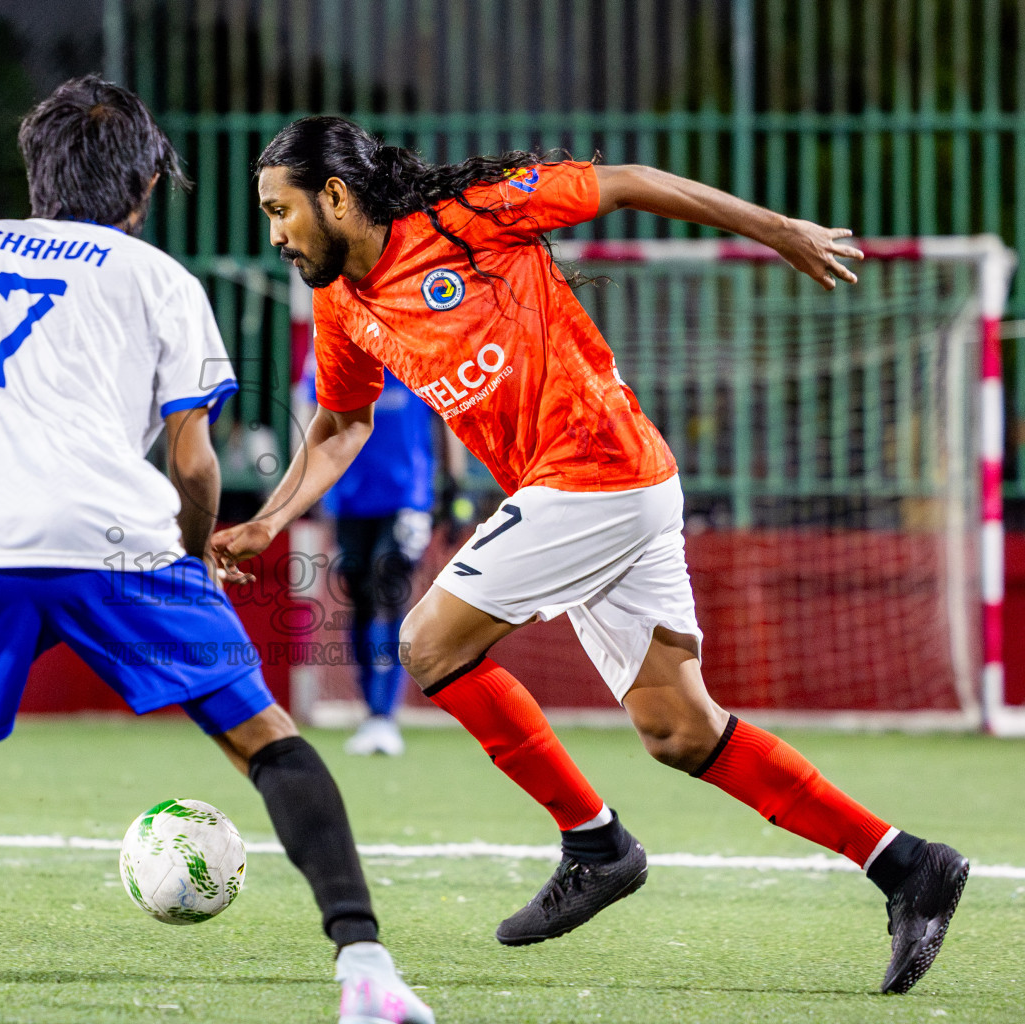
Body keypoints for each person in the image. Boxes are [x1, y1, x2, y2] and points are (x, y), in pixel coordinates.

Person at [212, 115, 967, 996]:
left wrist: (777, 231)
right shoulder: (342, 302)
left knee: (428, 643)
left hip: (596, 471)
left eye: (281, 210)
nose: (275, 234)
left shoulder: (470, 214)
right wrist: (270, 519)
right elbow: (342, 425)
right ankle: (907, 865)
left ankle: (595, 842)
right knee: (681, 731)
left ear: (336, 196)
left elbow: (633, 181)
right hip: (608, 491)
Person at [0, 79, 434, 1024]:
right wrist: (193, 553)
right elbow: (193, 462)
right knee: (267, 742)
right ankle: (364, 966)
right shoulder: (161, 280)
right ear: (147, 184)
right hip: (116, 541)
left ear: (35, 168)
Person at [306, 362, 438, 757]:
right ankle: (370, 710)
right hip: (348, 496)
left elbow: (443, 420)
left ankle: (384, 713)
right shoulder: (329, 357)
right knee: (360, 598)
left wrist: (453, 486)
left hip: (406, 495)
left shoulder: (412, 355)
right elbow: (311, 423)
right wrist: (310, 488)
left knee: (388, 590)